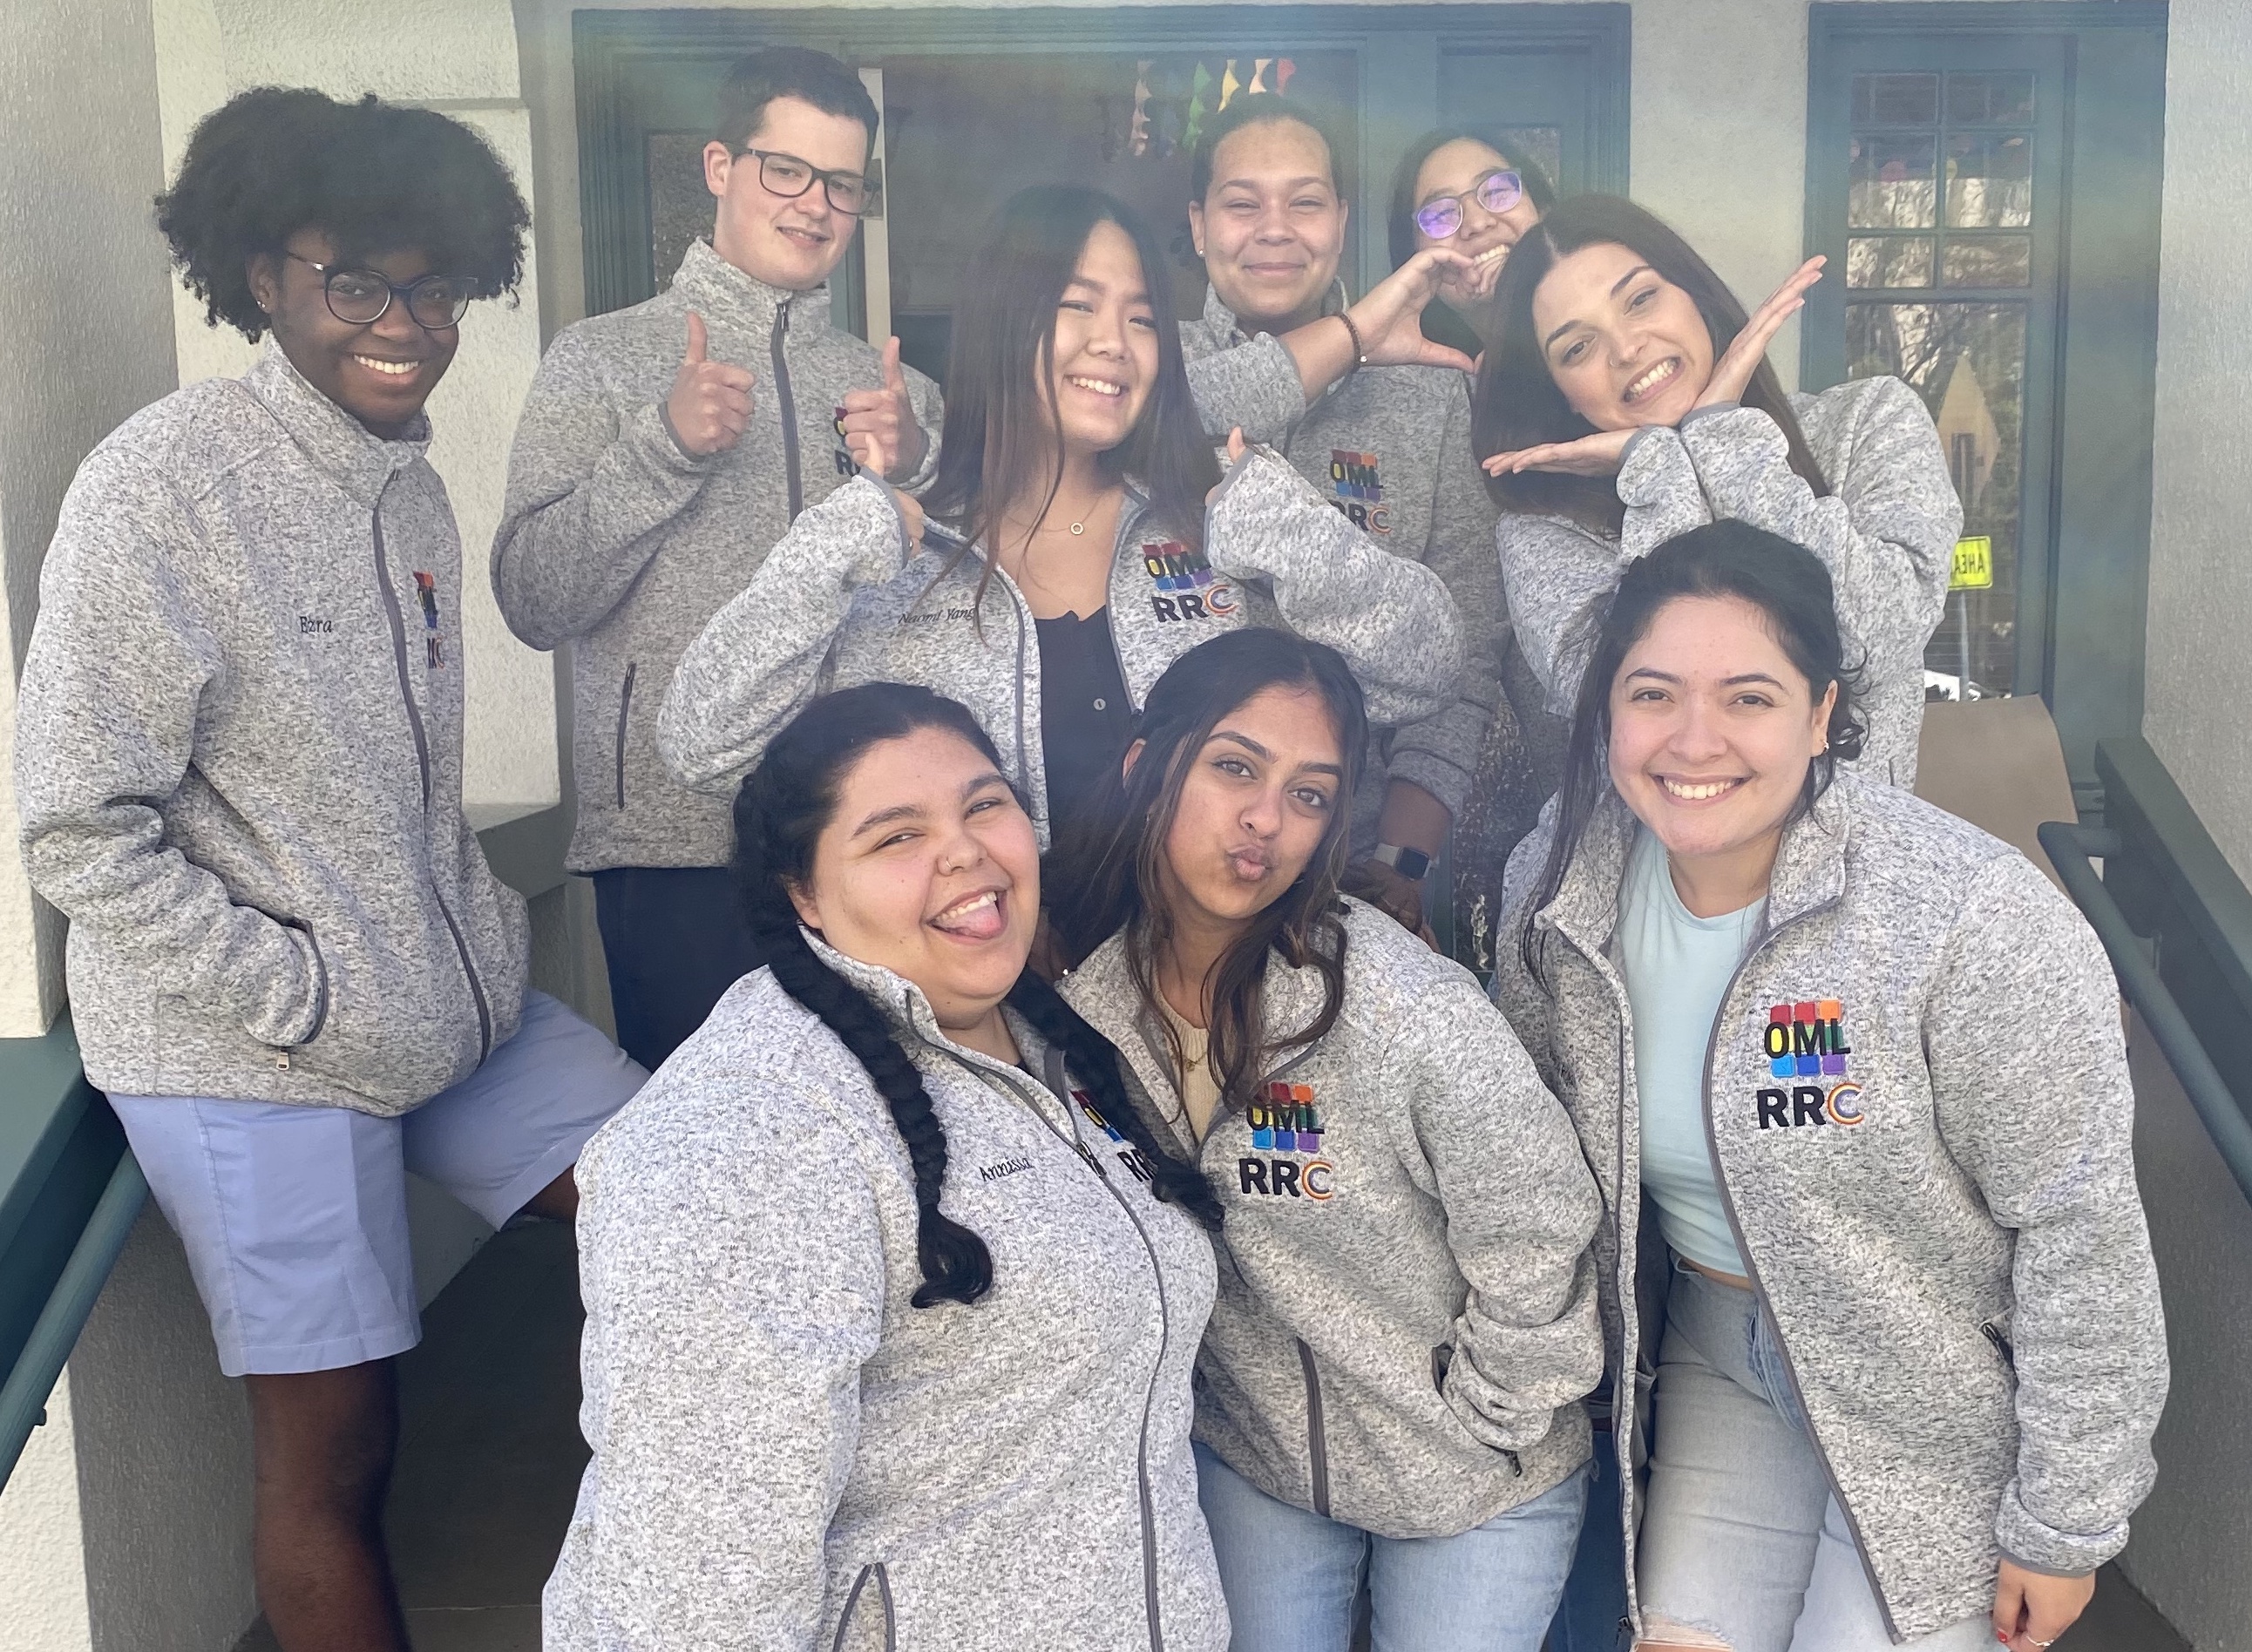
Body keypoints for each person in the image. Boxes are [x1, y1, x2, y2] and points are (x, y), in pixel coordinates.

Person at [14, 89, 647, 1652]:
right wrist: (297, 997)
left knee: (680, 1187)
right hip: (254, 1057)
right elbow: (75, 819)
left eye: (433, 284)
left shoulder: (410, 481)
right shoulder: (162, 486)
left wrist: (475, 951)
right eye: (353, 280)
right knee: (337, 1451)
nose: (403, 323)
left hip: (444, 1013)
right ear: (263, 274)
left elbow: (404, 798)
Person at [1489, 521, 2167, 1652]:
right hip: (1720, 1351)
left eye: (1749, 698)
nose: (1693, 739)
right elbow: (1527, 1154)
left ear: (1821, 716)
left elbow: (2079, 1228)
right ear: (1605, 707)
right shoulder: (1562, 881)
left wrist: (2066, 1520)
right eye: (1652, 692)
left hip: (1927, 1383)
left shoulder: (1968, 920)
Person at [544, 681, 1227, 1650]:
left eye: (984, 805)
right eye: (895, 836)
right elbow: (694, 1586)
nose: (965, 851)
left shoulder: (1057, 1049)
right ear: (805, 896)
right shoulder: (752, 1133)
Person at [1047, 628, 1604, 1652]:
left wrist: (1484, 1417)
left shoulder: (1397, 1005)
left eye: (1309, 795)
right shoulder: (1085, 1002)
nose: (1264, 820)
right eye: (1233, 768)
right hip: (1256, 1460)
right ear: (1145, 766)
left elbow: (1540, 1224)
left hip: (1472, 1473)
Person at [658, 183, 1462, 849]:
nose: (1115, 343)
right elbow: (702, 745)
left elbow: (1424, 671)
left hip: (1208, 1008)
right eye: (1078, 306)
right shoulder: (900, 548)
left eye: (1143, 318)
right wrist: (831, 547)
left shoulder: (1218, 513)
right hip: (983, 1013)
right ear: (1007, 322)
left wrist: (1292, 534)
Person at [492, 47, 943, 1070]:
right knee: (705, 1157)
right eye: (784, 170)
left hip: (865, 835)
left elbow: (947, 620)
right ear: (718, 168)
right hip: (672, 842)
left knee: (884, 1132)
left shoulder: (897, 395)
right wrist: (663, 450)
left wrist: (918, 475)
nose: (815, 204)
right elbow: (532, 598)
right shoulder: (598, 362)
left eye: (842, 183)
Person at [1475, 195, 1955, 789]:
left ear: (1696, 296)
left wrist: (1721, 437)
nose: (1626, 349)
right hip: (1651, 873)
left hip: (1859, 872)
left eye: (1641, 299)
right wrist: (1658, 465)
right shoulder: (1542, 532)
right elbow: (1660, 731)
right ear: (1560, 393)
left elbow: (1875, 643)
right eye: (1578, 348)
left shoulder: (1867, 423)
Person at [1174, 95, 1503, 938]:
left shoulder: (1433, 394)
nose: (1275, 229)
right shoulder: (1149, 362)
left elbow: (1464, 659)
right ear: (1200, 224)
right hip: (1155, 868)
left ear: (1343, 221)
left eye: (1306, 201)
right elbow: (1171, 417)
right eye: (1243, 203)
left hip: (1351, 872)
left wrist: (1398, 866)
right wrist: (1350, 338)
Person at [1387, 128, 1556, 360]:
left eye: (1497, 190)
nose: (1476, 223)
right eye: (1442, 214)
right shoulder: (1411, 383)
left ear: (1543, 211)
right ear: (1413, 255)